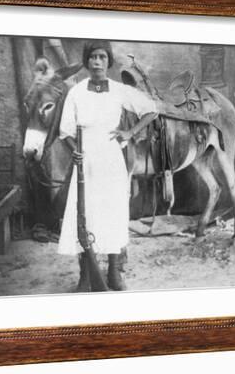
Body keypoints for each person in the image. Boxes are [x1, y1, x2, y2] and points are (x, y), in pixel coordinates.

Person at [58, 40, 158, 291]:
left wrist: (130, 132)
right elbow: (65, 131)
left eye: (102, 57)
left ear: (108, 61)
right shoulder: (76, 92)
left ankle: (114, 273)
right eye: (93, 57)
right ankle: (85, 274)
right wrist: (74, 152)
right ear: (87, 61)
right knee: (85, 215)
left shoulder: (118, 90)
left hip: (112, 160)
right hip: (85, 164)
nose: (97, 62)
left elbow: (151, 110)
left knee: (113, 213)